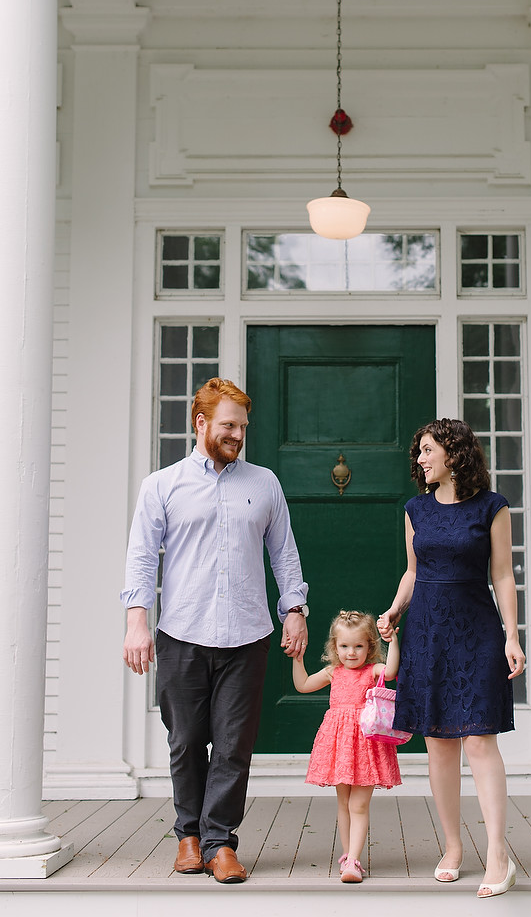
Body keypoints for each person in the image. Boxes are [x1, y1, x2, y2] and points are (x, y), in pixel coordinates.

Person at [121, 377, 308, 884]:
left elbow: (284, 553)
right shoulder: (162, 485)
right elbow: (142, 557)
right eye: (228, 425)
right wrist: (137, 620)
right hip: (181, 630)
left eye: (242, 427)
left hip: (247, 634)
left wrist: (295, 608)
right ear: (200, 423)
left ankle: (219, 841)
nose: (237, 435)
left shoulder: (263, 482)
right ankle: (187, 836)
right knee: (185, 741)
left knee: (232, 746)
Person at [378, 418, 526, 899]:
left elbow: (502, 575)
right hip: (426, 630)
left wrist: (512, 635)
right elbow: (411, 571)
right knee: (439, 742)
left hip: (478, 630)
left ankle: (499, 854)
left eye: (426, 451)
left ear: (453, 453)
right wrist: (394, 610)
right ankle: (452, 847)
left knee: (480, 740)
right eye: (419, 452)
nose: (419, 460)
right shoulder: (415, 509)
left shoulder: (492, 507)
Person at [292, 609, 401, 883]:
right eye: (344, 646)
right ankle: (347, 856)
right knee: (343, 802)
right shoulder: (333, 672)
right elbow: (303, 684)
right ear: (335, 646)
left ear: (369, 647)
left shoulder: (371, 670)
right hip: (340, 745)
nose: (351, 652)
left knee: (358, 804)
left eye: (358, 646)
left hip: (365, 744)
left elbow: (391, 671)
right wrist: (297, 659)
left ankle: (353, 860)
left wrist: (394, 642)